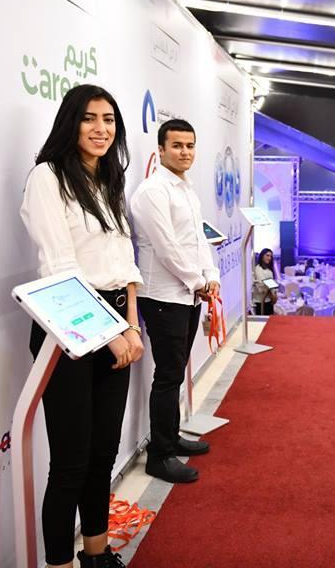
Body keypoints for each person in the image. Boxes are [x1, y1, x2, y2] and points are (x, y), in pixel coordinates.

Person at [20, 84, 142, 568]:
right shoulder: (48, 177)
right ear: (70, 123)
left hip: (116, 326)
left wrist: (131, 326)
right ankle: (59, 563)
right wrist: (111, 333)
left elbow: (125, 262)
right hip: (68, 328)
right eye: (90, 118)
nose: (100, 129)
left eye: (109, 119)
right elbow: (61, 269)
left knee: (102, 455)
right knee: (70, 463)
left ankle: (96, 554)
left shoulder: (108, 180)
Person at [130, 118, 220, 485]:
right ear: (161, 149)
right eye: (177, 146)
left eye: (190, 145)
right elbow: (166, 248)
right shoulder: (152, 191)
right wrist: (198, 282)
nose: (185, 152)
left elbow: (198, 241)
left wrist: (210, 276)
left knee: (176, 369)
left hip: (188, 294)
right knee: (168, 375)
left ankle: (171, 436)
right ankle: (160, 455)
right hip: (163, 296)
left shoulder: (186, 189)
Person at [252, 248, 278, 316]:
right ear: (262, 256)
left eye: (270, 256)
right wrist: (272, 290)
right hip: (261, 302)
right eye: (267, 255)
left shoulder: (269, 270)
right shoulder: (258, 269)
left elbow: (272, 284)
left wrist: (274, 294)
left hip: (269, 301)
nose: (269, 258)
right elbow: (262, 285)